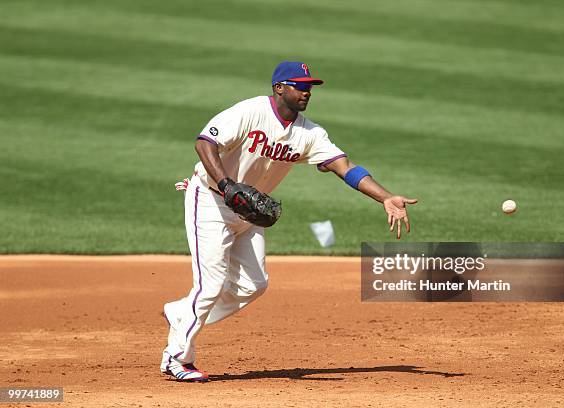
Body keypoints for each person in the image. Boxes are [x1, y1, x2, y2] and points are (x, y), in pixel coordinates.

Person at [160, 61, 418, 382]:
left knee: (254, 284)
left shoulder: (310, 133)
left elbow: (344, 166)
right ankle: (177, 358)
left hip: (249, 211)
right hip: (211, 200)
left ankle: (181, 313)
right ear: (279, 87)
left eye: (310, 87)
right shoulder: (249, 112)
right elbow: (205, 143)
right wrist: (227, 186)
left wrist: (385, 197)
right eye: (300, 85)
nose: (306, 92)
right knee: (210, 285)